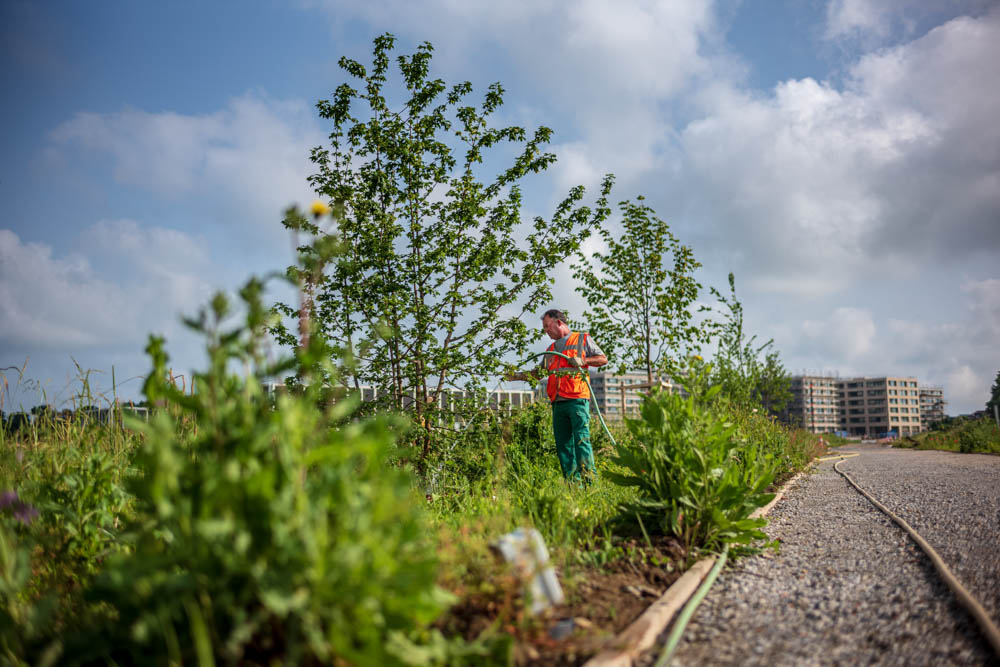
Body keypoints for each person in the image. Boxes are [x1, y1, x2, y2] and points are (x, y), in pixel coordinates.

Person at [508, 309, 607, 481]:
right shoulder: (551, 349)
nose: (546, 331)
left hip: (577, 399)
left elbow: (602, 359)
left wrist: (584, 361)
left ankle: (590, 481)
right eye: (545, 328)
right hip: (558, 403)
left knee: (581, 441)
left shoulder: (582, 339)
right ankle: (573, 484)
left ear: (558, 323)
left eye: (547, 326)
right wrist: (516, 376)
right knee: (564, 446)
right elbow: (538, 373)